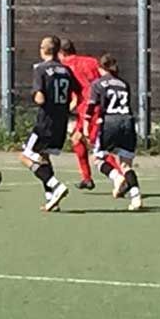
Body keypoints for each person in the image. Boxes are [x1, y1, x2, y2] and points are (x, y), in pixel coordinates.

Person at [20, 36, 78, 212]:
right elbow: (77, 94)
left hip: (45, 121)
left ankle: (56, 185)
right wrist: (66, 108)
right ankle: (51, 198)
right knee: (44, 157)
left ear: (43, 50)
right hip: (61, 122)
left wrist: (36, 96)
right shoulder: (66, 70)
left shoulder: (40, 69)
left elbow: (40, 98)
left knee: (25, 156)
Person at [82, 54, 143, 210]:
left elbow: (91, 107)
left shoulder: (98, 84)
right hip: (128, 122)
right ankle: (136, 196)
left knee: (98, 159)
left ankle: (116, 177)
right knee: (126, 165)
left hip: (110, 122)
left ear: (100, 68)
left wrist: (86, 125)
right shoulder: (124, 83)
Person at [59, 39, 101, 190]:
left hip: (88, 108)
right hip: (99, 104)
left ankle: (120, 177)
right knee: (77, 140)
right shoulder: (91, 61)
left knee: (96, 146)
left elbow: (76, 91)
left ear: (61, 52)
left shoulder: (65, 66)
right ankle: (86, 178)